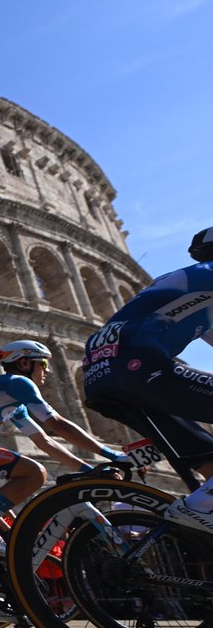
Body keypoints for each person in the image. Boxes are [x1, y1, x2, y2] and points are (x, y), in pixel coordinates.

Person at [0, 340, 133, 556]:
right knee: (34, 473)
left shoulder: (6, 397)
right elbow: (59, 425)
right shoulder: (18, 383)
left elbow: (45, 441)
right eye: (43, 364)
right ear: (24, 363)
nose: (47, 371)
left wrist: (87, 470)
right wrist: (113, 455)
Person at [84, 227, 213, 533]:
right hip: (138, 366)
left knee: (207, 458)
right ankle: (195, 508)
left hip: (101, 372)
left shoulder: (188, 283)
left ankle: (202, 514)